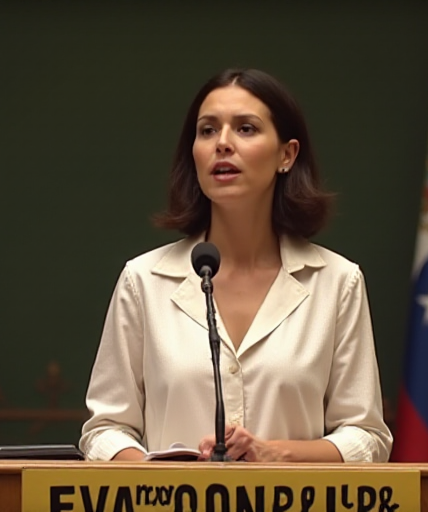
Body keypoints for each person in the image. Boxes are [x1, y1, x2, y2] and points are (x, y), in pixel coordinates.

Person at [79, 68, 392, 463]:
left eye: (245, 129)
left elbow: (366, 437)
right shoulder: (143, 280)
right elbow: (105, 429)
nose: (222, 143)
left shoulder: (337, 282)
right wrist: (159, 478)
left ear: (286, 155)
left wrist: (271, 452)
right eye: (207, 130)